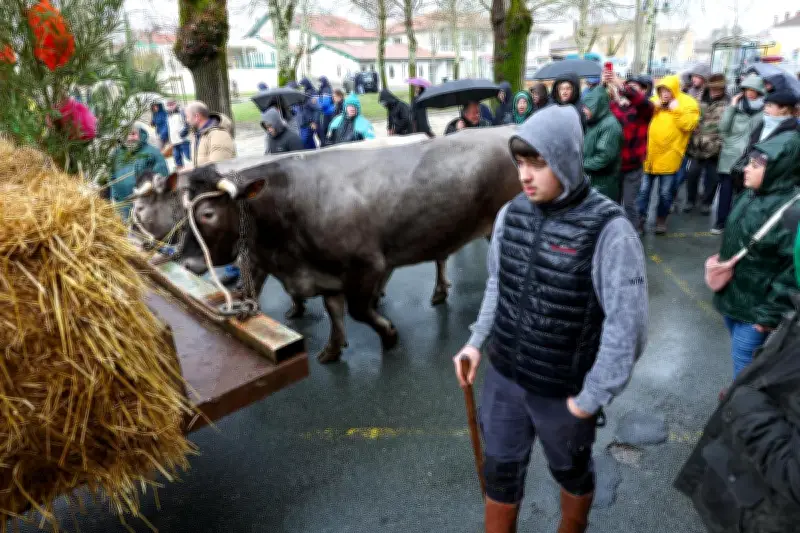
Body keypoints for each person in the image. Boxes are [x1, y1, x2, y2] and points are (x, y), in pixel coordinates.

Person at [453, 105, 648, 533]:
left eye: (538, 163)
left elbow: (626, 328)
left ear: (566, 159)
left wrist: (590, 398)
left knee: (572, 473)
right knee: (500, 476)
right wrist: (475, 341)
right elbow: (495, 284)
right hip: (504, 380)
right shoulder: (511, 213)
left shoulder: (610, 231)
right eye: (520, 162)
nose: (525, 175)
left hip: (564, 393)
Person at [675, 210, 800, 533]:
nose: (746, 168)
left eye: (757, 160)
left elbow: (793, 473)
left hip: (769, 512)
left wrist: (743, 400)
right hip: (748, 490)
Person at [713, 127, 800, 380]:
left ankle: (738, 408)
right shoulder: (751, 194)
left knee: (744, 365)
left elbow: (791, 273)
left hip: (756, 311)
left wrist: (768, 316)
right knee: (740, 356)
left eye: (755, 165)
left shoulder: (792, 211)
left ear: (777, 171)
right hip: (735, 296)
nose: (746, 169)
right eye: (749, 163)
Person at [637, 75, 700, 234]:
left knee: (665, 193)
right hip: (649, 157)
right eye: (662, 90)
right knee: (643, 191)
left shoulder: (687, 103)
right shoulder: (653, 101)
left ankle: (661, 220)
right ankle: (639, 220)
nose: (665, 93)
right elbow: (639, 119)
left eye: (668, 90)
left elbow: (690, 125)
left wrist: (676, 110)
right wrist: (654, 108)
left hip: (670, 157)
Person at [714, 74, 766, 234]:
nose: (750, 93)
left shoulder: (764, 111)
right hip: (730, 155)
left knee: (745, 194)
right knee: (726, 192)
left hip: (750, 158)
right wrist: (732, 106)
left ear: (759, 91)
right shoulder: (736, 107)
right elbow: (722, 128)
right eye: (747, 90)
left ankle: (737, 223)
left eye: (753, 90)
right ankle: (720, 222)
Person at [608, 74, 655, 227]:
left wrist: (622, 87)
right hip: (615, 165)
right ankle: (612, 232)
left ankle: (633, 233)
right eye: (629, 87)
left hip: (633, 167)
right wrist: (607, 87)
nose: (629, 91)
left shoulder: (645, 109)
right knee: (612, 204)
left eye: (634, 88)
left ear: (643, 91)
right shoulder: (615, 107)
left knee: (629, 204)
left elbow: (641, 103)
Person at [684, 73, 729, 215]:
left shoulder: (728, 102)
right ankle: (690, 200)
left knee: (713, 178)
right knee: (692, 174)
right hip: (697, 146)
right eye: (713, 88)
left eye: (719, 89)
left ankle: (706, 203)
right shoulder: (697, 98)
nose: (715, 91)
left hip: (715, 148)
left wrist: (720, 142)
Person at [109, 123, 168, 221]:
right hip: (122, 205)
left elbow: (162, 175)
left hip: (146, 204)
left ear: (140, 135)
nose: (130, 138)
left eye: (133, 134)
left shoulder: (152, 152)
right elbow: (112, 176)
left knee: (144, 232)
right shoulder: (116, 154)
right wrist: (114, 196)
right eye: (127, 135)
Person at [582, 85, 623, 201]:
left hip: (604, 186)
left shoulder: (610, 126)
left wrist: (580, 165)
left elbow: (603, 157)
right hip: (593, 182)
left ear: (597, 106)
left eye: (587, 107)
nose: (584, 110)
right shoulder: (593, 121)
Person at [184, 101, 236, 167]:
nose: (186, 120)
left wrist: (191, 171)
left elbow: (217, 165)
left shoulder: (219, 134)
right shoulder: (197, 134)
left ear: (197, 117)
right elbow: (198, 161)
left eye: (187, 117)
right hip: (202, 176)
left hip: (220, 177)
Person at [165, 99, 191, 171]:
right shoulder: (168, 115)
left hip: (183, 140)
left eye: (172, 104)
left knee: (189, 155)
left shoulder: (181, 112)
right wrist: (169, 139)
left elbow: (187, 124)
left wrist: (183, 134)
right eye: (168, 105)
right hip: (174, 141)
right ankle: (180, 171)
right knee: (177, 157)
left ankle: (197, 165)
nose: (170, 106)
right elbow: (169, 128)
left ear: (175, 104)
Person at [298, 77, 320, 150]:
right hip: (303, 122)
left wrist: (314, 122)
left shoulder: (311, 94)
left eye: (302, 85)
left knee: (304, 142)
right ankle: (314, 154)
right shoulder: (304, 93)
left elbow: (317, 109)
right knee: (309, 141)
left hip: (309, 123)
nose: (302, 87)